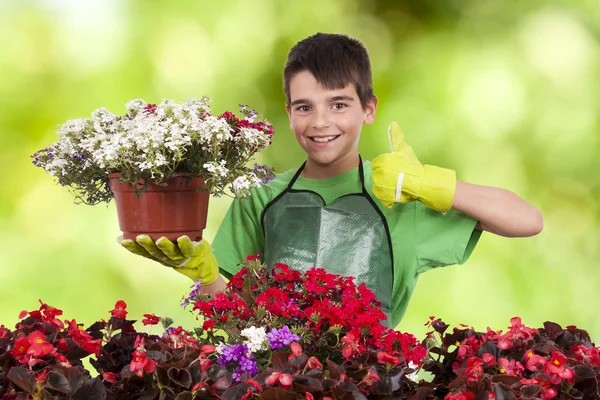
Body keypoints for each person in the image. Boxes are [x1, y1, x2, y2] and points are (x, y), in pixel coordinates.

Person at [120, 33, 543, 327]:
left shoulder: (402, 198)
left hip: (371, 382)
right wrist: (206, 275)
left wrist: (432, 184)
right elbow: (236, 322)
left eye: (338, 104)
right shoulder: (261, 199)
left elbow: (526, 220)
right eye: (304, 107)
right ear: (288, 114)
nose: (320, 122)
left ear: (369, 109)